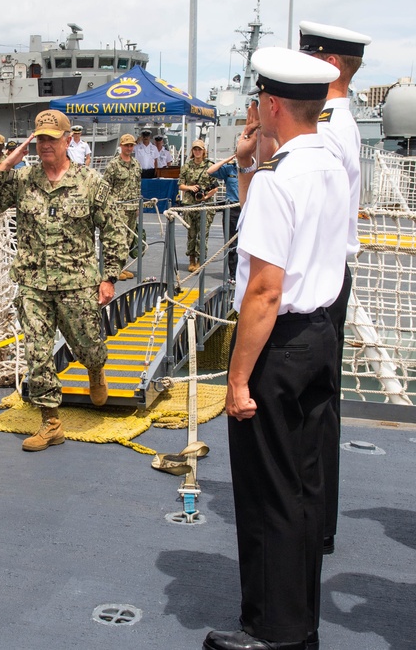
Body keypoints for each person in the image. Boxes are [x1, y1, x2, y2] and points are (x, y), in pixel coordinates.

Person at [204, 47, 345, 650]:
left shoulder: (279, 180)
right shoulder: (331, 164)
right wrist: (249, 165)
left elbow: (263, 291)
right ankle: (300, 620)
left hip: (278, 348)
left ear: (269, 105)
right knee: (306, 488)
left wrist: (237, 382)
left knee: (268, 494)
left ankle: (272, 632)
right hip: (319, 338)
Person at [0, 109, 127, 451]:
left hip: (77, 284)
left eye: (51, 139)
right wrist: (6, 165)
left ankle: (96, 369)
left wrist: (109, 277)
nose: (45, 145)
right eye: (39, 138)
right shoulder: (22, 180)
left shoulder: (90, 183)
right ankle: (50, 422)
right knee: (37, 352)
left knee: (87, 345)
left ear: (68, 140)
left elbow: (116, 231)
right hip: (33, 283)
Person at [300, 20, 372, 557]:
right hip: (332, 275)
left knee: (311, 407)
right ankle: (317, 518)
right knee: (321, 405)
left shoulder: (326, 124)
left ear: (328, 67)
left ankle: (311, 519)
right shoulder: (342, 122)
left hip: (319, 280)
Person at [102, 133, 142, 279]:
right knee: (117, 239)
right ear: (121, 146)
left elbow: (138, 186)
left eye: (131, 145)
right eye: (127, 145)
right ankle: (113, 270)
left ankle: (122, 267)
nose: (129, 148)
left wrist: (138, 205)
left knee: (128, 239)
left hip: (132, 207)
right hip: (118, 209)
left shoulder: (136, 164)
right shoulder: (113, 165)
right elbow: (105, 186)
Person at [178, 139, 219, 272]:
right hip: (190, 204)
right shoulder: (186, 166)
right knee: (191, 233)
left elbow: (215, 186)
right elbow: (181, 185)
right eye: (195, 149)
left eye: (199, 149)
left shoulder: (210, 166)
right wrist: (190, 188)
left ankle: (201, 260)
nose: (197, 151)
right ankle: (191, 260)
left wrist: (206, 196)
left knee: (203, 233)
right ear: (192, 151)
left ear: (204, 151)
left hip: (205, 205)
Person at [207, 152, 240, 281]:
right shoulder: (229, 169)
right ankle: (233, 274)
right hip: (231, 208)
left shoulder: (252, 169)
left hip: (246, 208)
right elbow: (210, 171)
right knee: (231, 242)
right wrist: (228, 159)